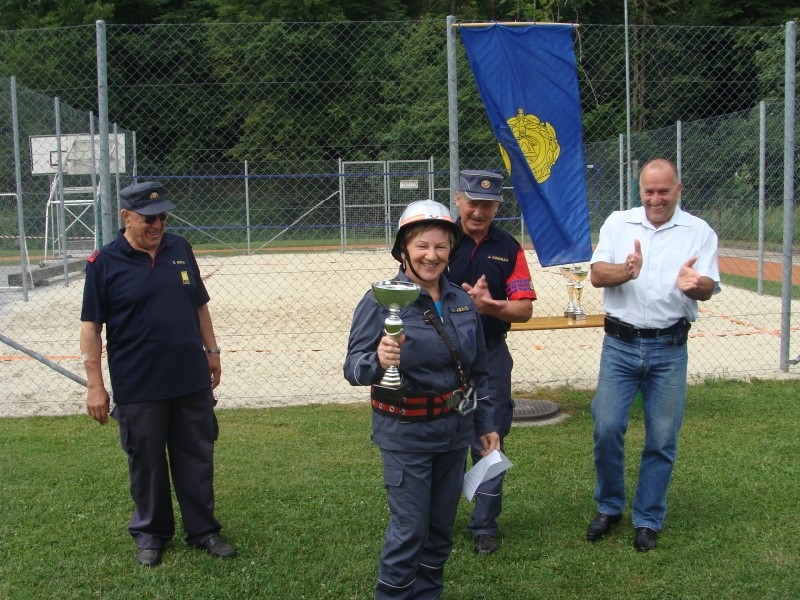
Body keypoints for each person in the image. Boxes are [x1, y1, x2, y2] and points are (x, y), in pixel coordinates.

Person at [344, 199, 500, 599]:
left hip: (454, 432)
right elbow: (354, 369)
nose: (432, 255)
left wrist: (485, 426)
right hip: (406, 434)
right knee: (410, 529)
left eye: (441, 246)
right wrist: (378, 360)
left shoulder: (461, 301)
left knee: (439, 529)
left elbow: (478, 370)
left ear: (452, 250)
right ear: (403, 250)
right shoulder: (381, 300)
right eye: (422, 246)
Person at [80, 181, 236, 567]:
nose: (158, 225)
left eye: (163, 217)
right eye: (149, 219)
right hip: (139, 383)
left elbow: (199, 304)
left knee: (197, 457)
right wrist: (96, 385)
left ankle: (204, 531)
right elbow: (91, 327)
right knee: (146, 462)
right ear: (126, 218)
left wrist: (212, 351)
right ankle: (151, 533)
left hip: (190, 378)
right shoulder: (104, 263)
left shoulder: (180, 248)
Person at [586, 158, 720, 552]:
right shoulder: (619, 223)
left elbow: (708, 285)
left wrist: (695, 285)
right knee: (606, 427)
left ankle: (648, 517)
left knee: (662, 437)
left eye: (664, 191)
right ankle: (610, 507)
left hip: (670, 347)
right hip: (620, 346)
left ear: (678, 189)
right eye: (649, 191)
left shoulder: (699, 231)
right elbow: (596, 275)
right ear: (639, 190)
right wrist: (626, 272)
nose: (656, 198)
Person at [447, 169, 537, 555]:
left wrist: (492, 306)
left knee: (491, 436)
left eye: (487, 205)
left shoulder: (509, 247)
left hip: (490, 355)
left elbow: (524, 309)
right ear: (458, 200)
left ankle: (484, 524)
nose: (479, 211)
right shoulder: (439, 240)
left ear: (498, 206)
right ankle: (435, 518)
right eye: (472, 203)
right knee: (445, 433)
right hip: (445, 359)